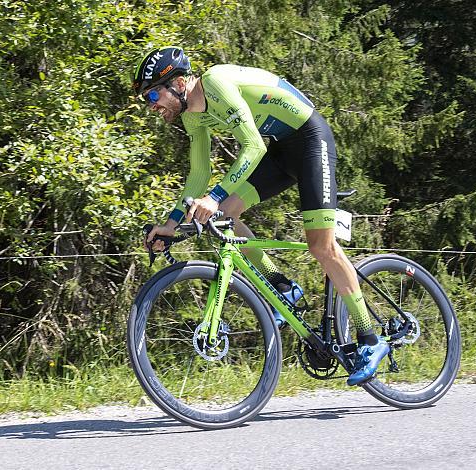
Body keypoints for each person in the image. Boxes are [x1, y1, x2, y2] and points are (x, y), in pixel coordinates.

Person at [134, 46, 388, 386]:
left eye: (153, 94)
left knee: (321, 247)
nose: (152, 105)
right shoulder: (192, 115)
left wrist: (215, 195)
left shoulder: (216, 83)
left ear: (179, 84)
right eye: (147, 98)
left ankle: (371, 339)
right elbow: (198, 173)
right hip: (281, 149)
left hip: (311, 140)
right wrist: (170, 222)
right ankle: (282, 286)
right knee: (221, 216)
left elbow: (252, 146)